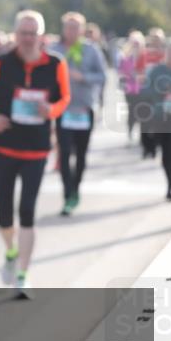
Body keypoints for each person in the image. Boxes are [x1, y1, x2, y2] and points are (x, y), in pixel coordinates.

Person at [0, 10, 70, 299]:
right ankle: (11, 252)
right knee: (4, 214)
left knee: (27, 210)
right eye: (23, 33)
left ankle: (23, 275)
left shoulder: (55, 64)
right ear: (16, 34)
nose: (27, 38)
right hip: (4, 146)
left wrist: (51, 110)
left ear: (42, 36)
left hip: (37, 148)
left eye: (32, 33)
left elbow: (65, 97)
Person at [48, 12, 106, 216]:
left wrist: (83, 77)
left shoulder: (90, 50)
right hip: (63, 110)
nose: (71, 31)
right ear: (63, 29)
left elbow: (102, 76)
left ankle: (76, 188)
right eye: (68, 27)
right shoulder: (55, 50)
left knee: (80, 154)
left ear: (82, 30)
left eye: (75, 27)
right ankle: (67, 194)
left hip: (84, 109)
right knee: (64, 153)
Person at [140, 38, 171, 201]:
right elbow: (145, 91)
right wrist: (161, 93)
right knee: (167, 153)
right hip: (162, 118)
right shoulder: (157, 71)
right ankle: (170, 184)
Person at [118, 31, 147, 141]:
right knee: (132, 112)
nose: (136, 46)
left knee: (143, 112)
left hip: (143, 90)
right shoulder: (125, 57)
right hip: (130, 90)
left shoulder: (145, 56)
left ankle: (142, 136)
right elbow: (122, 72)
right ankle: (130, 131)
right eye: (134, 44)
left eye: (137, 44)